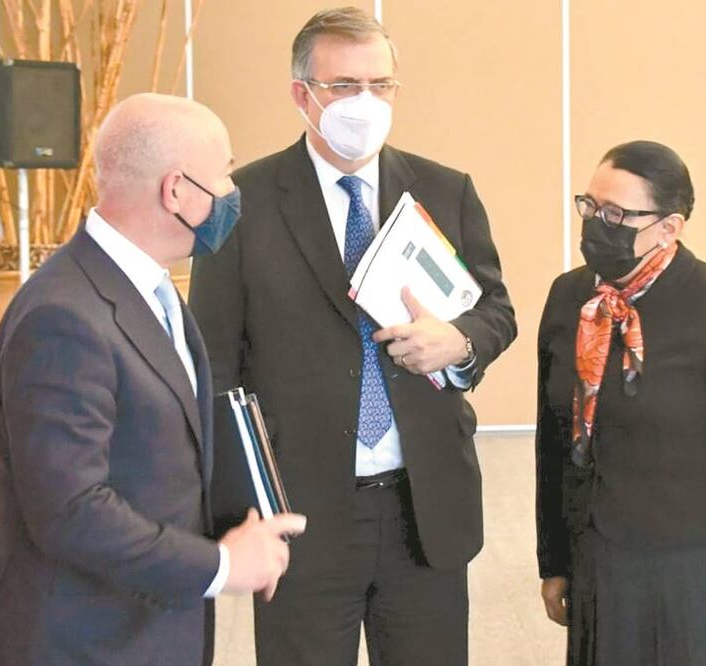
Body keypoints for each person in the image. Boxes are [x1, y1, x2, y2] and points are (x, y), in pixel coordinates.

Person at [189, 7, 516, 665]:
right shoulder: (240, 204)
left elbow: (495, 313)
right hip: (301, 512)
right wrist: (237, 511)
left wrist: (458, 343)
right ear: (301, 94)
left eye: (380, 84)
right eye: (342, 85)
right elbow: (213, 368)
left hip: (422, 507)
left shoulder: (444, 191)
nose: (363, 101)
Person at [0, 93, 306, 666]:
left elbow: (159, 449)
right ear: (176, 190)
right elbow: (70, 509)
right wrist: (221, 566)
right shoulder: (62, 315)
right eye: (222, 174)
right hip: (77, 641)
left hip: (146, 625)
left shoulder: (150, 286)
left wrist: (242, 524)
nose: (230, 191)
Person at [535, 140, 706, 665]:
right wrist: (554, 558)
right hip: (598, 562)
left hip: (688, 574)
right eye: (590, 206)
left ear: (669, 227)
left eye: (617, 214)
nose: (597, 223)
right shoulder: (568, 298)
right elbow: (554, 441)